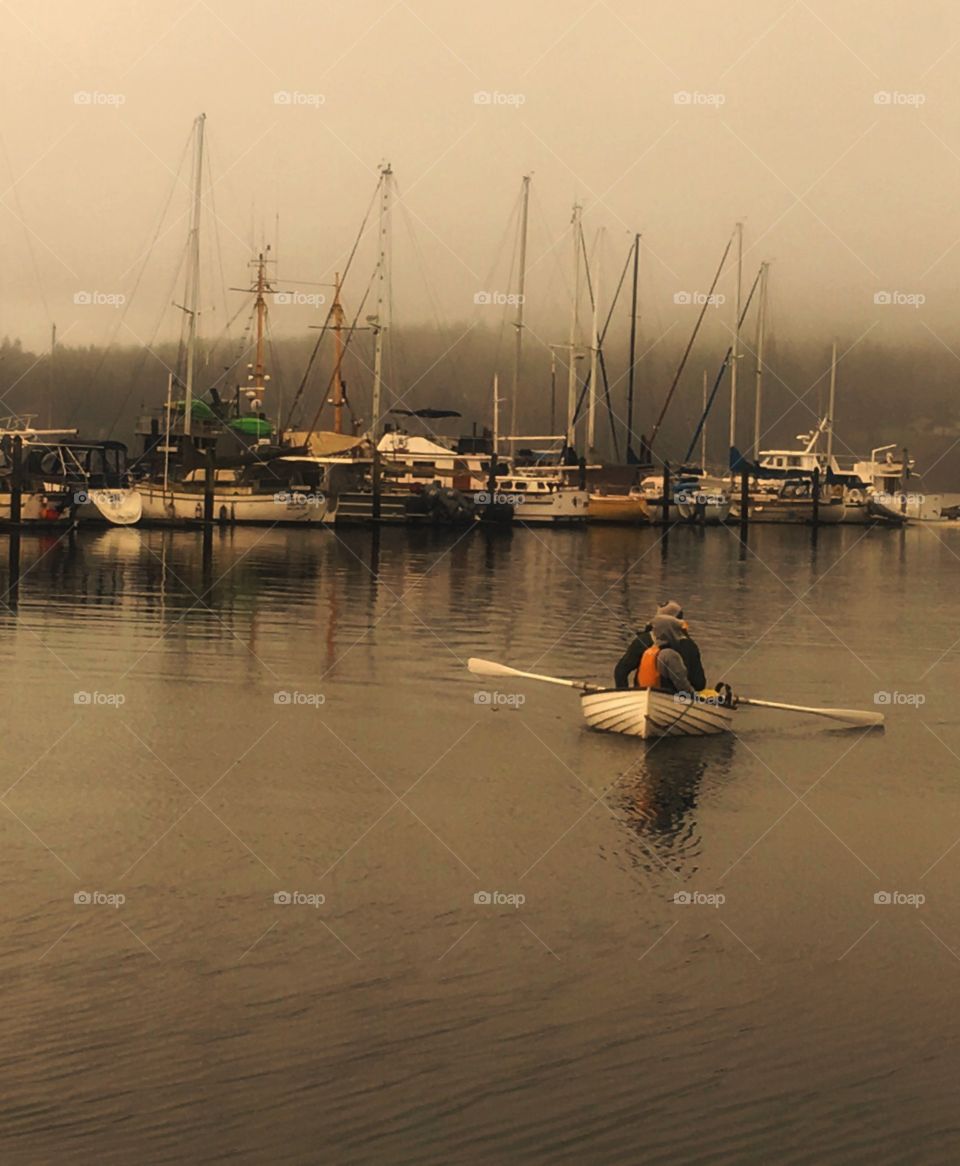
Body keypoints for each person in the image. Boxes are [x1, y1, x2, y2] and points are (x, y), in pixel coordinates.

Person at [614, 600, 706, 691]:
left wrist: (623, 694)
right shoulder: (689, 646)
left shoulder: (642, 641)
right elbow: (699, 684)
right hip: (675, 700)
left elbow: (620, 672)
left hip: (641, 693)